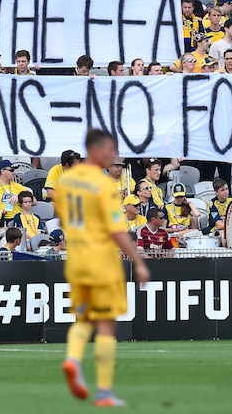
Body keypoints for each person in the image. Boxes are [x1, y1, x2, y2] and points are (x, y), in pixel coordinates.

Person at [57, 129, 148, 407]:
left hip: (76, 259)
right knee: (107, 327)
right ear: (95, 150)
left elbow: (63, 218)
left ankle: (73, 359)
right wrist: (138, 261)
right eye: (110, 149)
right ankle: (104, 393)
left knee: (83, 319)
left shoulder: (67, 180)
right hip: (101, 260)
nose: (114, 155)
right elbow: (117, 230)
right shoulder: (103, 185)